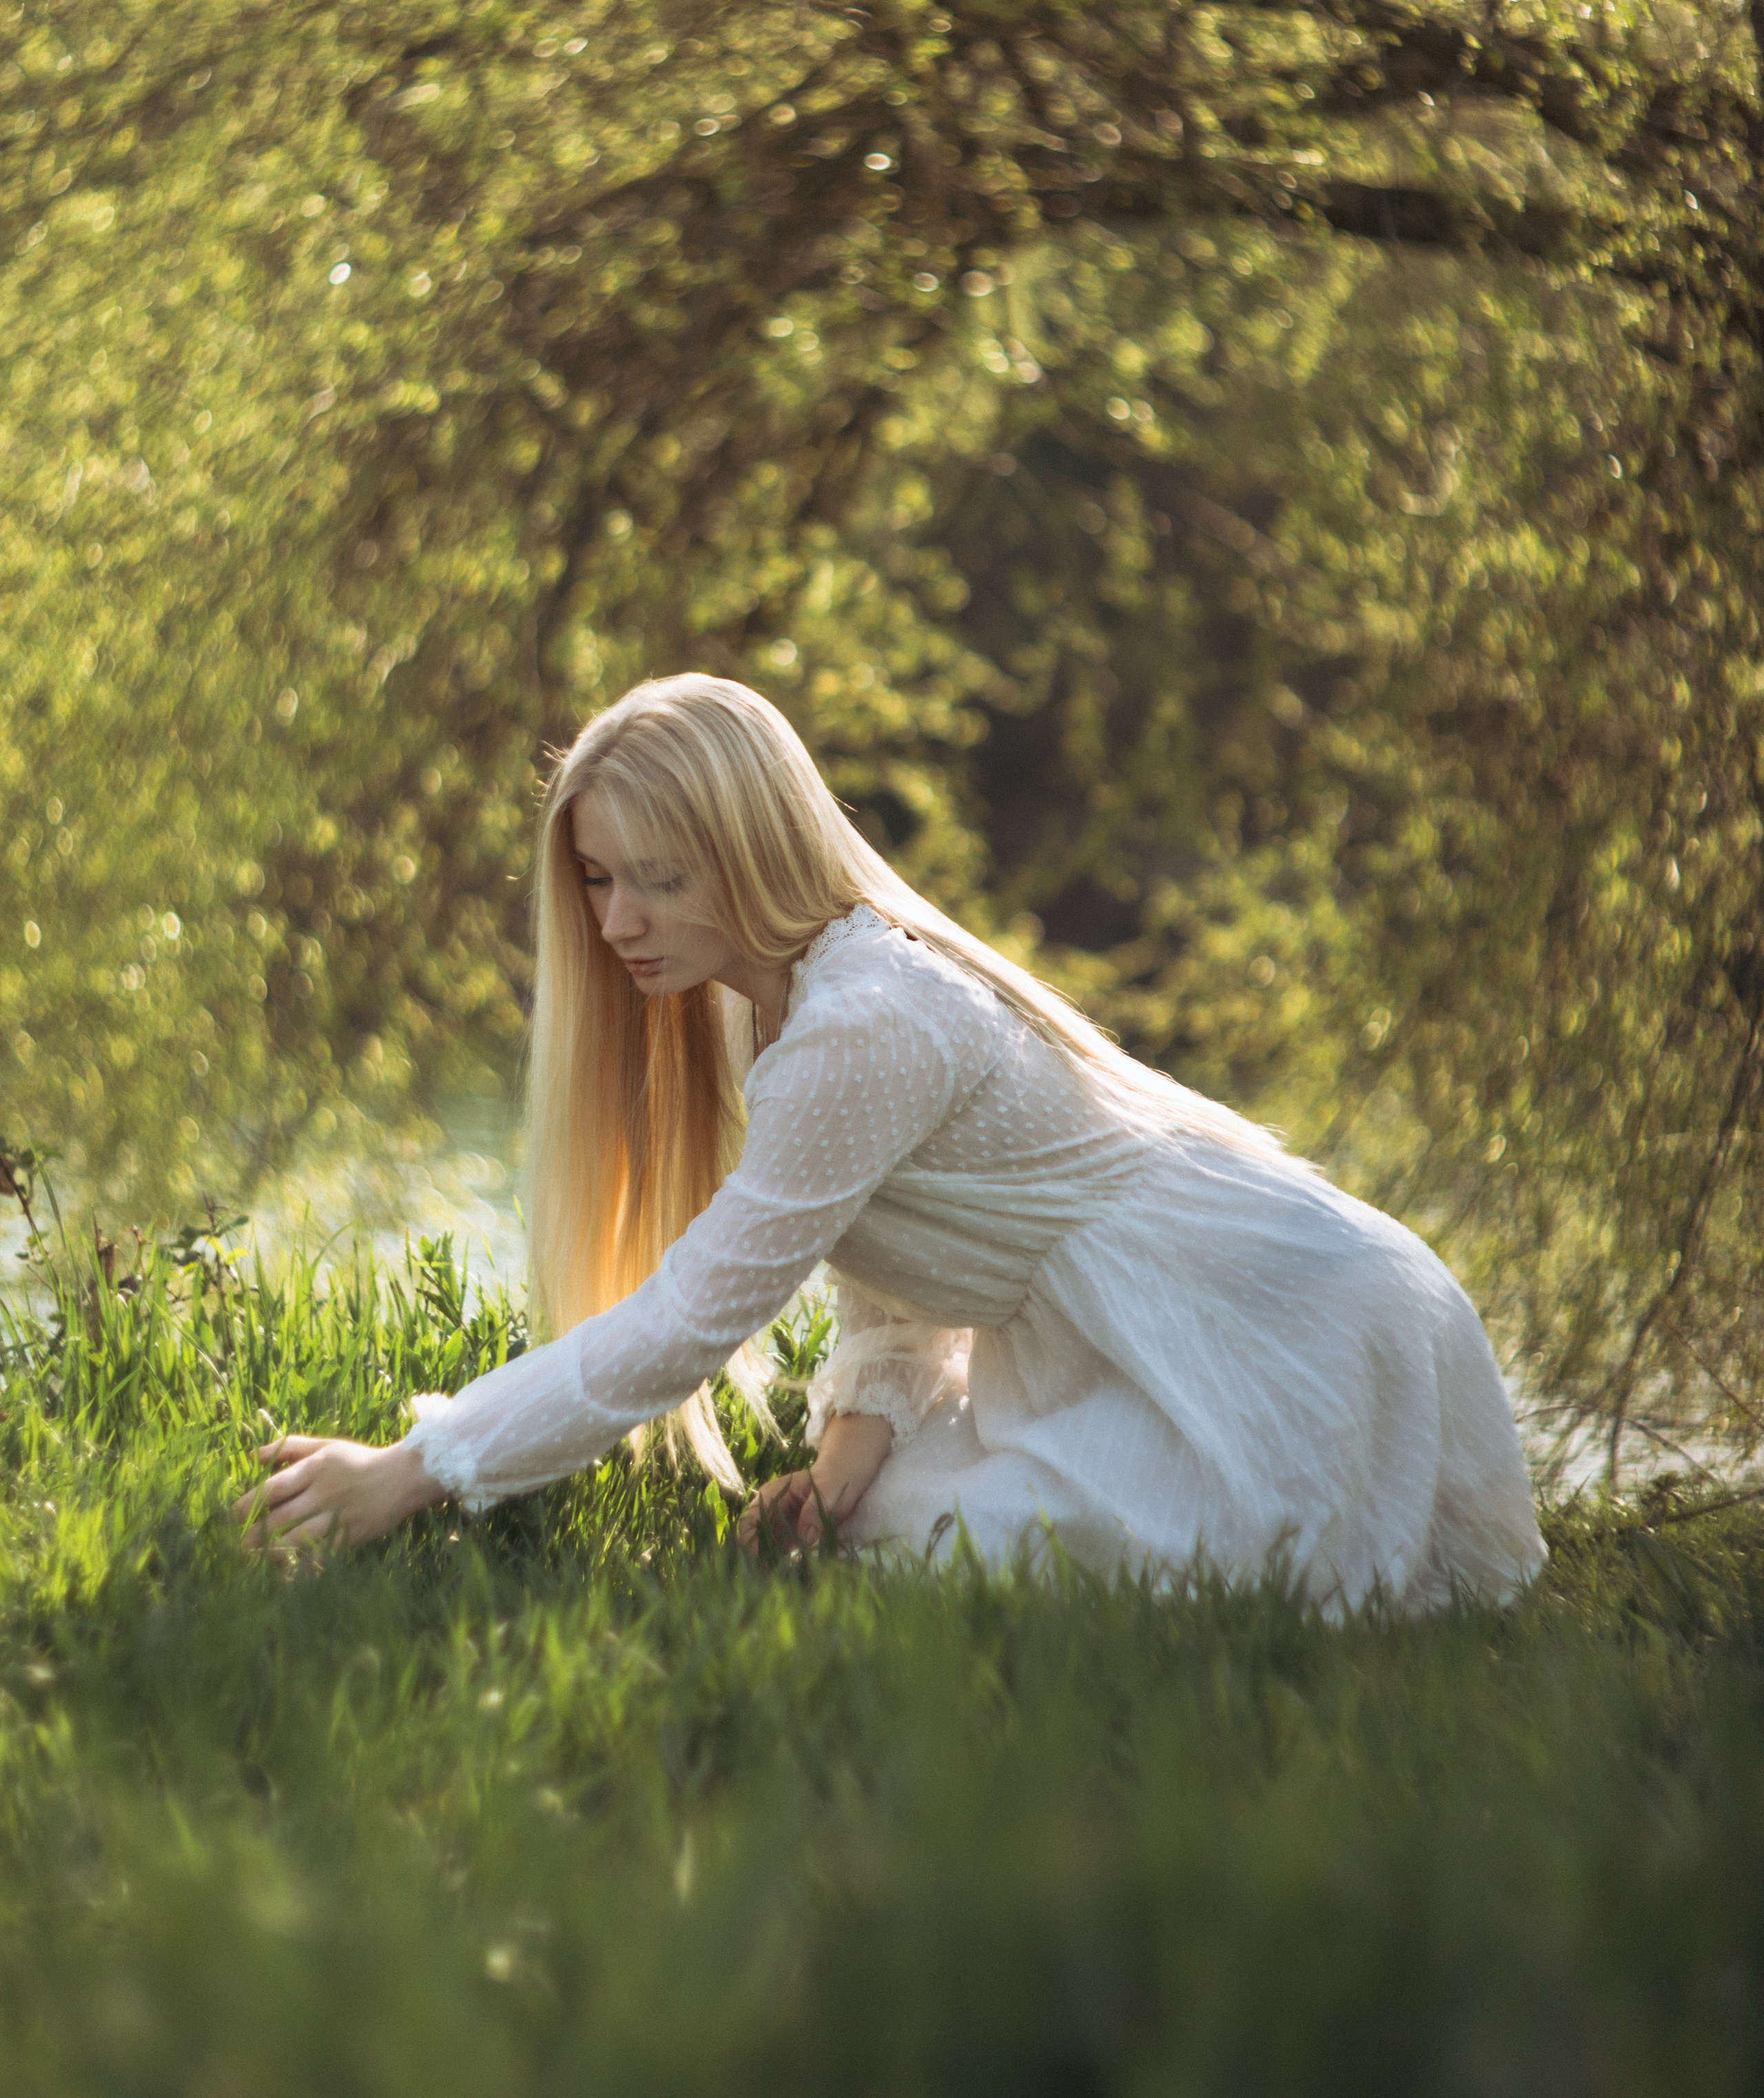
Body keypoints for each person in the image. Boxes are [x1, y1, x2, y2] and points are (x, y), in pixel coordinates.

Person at [237, 674, 1546, 1610]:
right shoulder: (791, 1005)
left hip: (1274, 1332)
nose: (620, 919)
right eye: (597, 875)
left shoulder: (867, 1018)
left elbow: (687, 1320)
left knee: (1069, 1569)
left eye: (661, 877)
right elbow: (894, 1277)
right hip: (1111, 1340)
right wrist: (844, 1463)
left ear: (752, 853)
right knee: (891, 1528)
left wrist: (416, 1471)